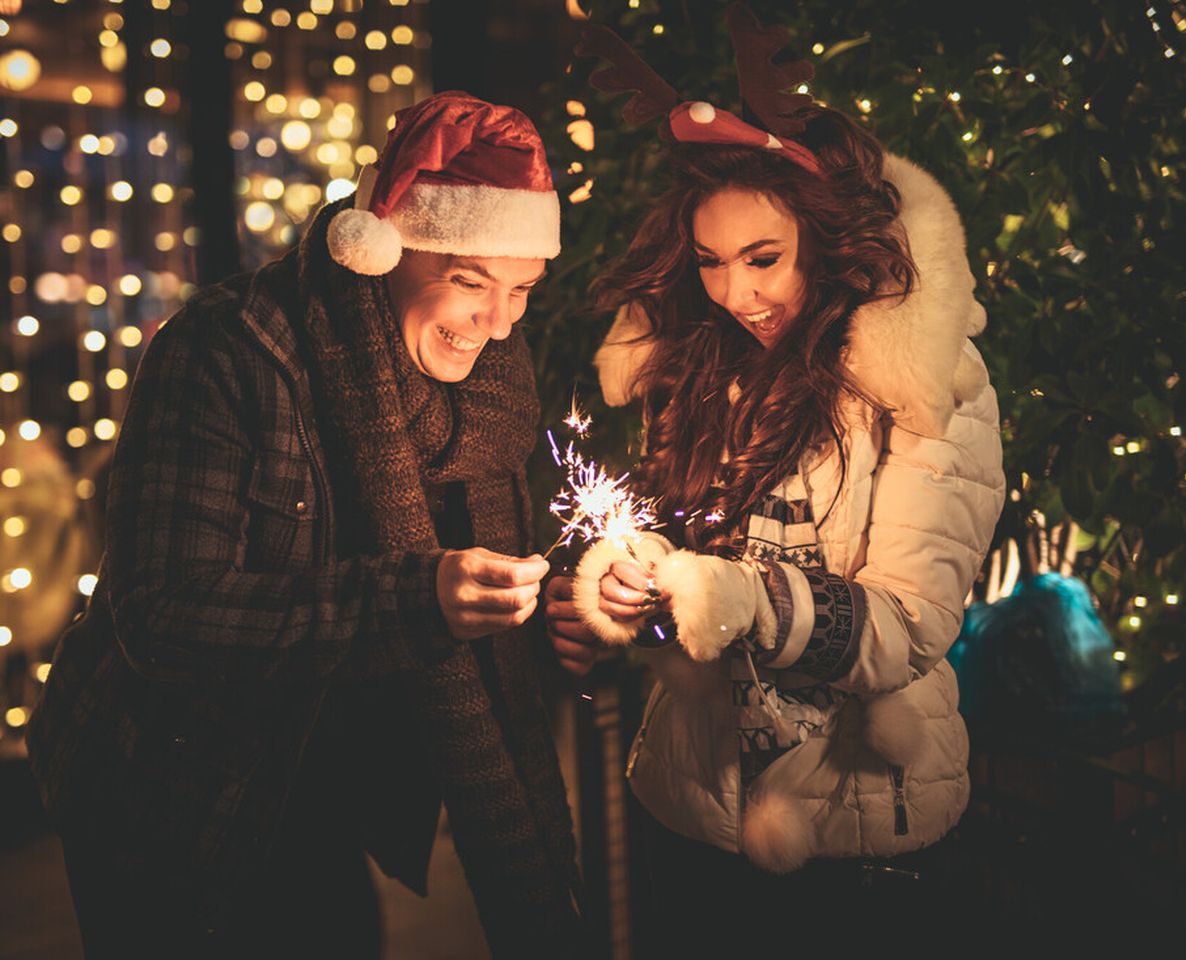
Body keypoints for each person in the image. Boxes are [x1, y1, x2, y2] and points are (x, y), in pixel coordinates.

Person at [28, 92, 582, 958]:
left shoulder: (490, 388)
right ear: (382, 251)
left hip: (328, 772)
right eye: (470, 282)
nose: (499, 322)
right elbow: (162, 614)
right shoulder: (227, 350)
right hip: (178, 785)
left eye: (520, 288)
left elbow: (501, 582)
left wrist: (561, 622)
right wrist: (415, 599)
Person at [547, 12, 1005, 953]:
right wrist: (630, 587)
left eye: (764, 259)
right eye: (711, 263)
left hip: (864, 832)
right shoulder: (701, 371)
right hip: (691, 810)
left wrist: (744, 599)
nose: (736, 294)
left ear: (829, 240)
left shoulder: (923, 389)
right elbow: (681, 556)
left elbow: (910, 623)